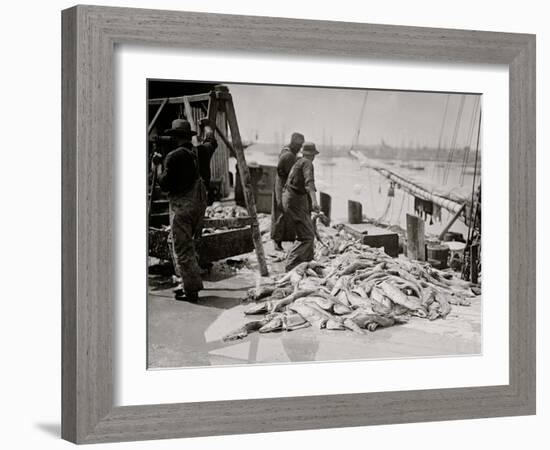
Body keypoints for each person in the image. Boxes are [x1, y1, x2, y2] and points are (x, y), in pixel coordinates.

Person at [152, 118, 217, 301]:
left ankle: (191, 292)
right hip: (199, 206)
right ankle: (188, 281)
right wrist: (207, 126)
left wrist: (156, 165)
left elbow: (164, 184)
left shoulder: (173, 157)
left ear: (175, 137)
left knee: (182, 249)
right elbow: (211, 141)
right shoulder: (201, 151)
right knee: (188, 245)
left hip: (182, 208)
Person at [282, 142, 320, 271]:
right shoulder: (307, 163)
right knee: (307, 236)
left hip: (290, 199)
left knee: (304, 231)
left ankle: (308, 261)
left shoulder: (298, 162)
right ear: (312, 155)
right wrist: (315, 202)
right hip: (294, 201)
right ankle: (291, 265)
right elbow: (310, 183)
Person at [271, 132, 305, 251]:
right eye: (299, 146)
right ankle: (277, 241)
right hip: (282, 186)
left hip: (283, 184)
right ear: (295, 145)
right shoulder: (288, 156)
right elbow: (286, 172)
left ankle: (284, 239)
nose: (300, 148)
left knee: (286, 213)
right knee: (281, 212)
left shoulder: (287, 151)